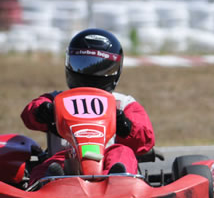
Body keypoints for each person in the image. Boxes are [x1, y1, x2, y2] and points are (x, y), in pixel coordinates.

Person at [21, 28, 155, 182]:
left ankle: (118, 179)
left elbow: (145, 140)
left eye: (100, 66)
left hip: (106, 162)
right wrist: (42, 111)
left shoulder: (124, 104)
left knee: (122, 152)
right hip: (66, 160)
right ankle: (48, 183)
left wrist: (126, 126)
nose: (90, 72)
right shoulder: (56, 100)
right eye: (82, 64)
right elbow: (29, 114)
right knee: (50, 164)